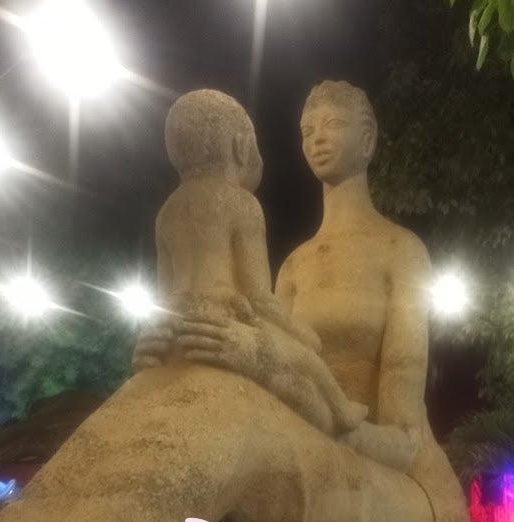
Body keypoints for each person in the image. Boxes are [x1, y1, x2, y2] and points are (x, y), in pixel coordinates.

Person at [0, 81, 470, 522]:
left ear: (367, 139)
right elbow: (272, 358)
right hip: (322, 457)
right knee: (170, 394)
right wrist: (171, 348)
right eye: (306, 127)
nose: (315, 137)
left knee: (228, 417)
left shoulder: (401, 253)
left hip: (406, 501)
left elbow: (399, 439)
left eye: (333, 124)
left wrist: (298, 393)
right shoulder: (294, 267)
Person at [139, 88, 366, 437]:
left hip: (177, 331)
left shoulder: (167, 213)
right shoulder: (242, 205)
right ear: (241, 147)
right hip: (223, 322)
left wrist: (155, 339)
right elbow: (259, 297)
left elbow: (163, 295)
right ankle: (342, 410)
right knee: (307, 359)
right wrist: (301, 334)